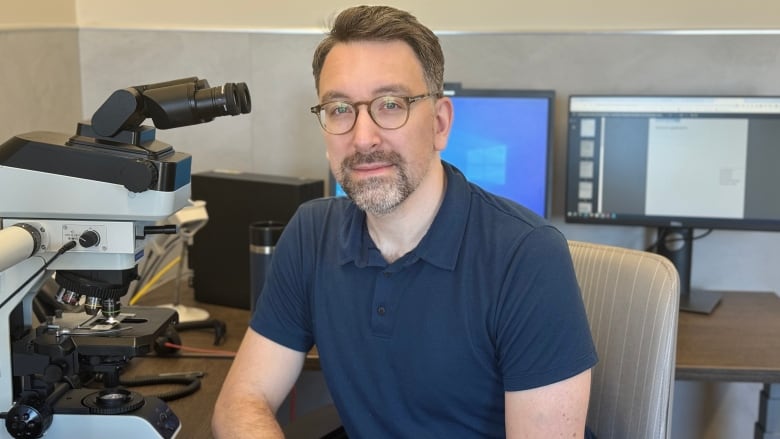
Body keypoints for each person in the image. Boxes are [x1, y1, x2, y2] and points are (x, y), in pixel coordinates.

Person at [212, 5, 598, 438]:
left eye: (391, 104)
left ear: (439, 123)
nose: (362, 137)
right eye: (340, 108)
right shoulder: (310, 234)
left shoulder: (527, 256)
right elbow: (240, 402)